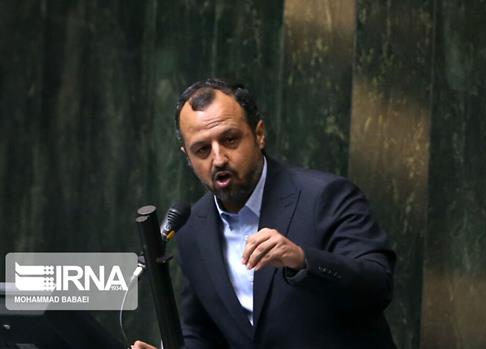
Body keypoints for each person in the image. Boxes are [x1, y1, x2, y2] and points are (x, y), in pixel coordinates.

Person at [133, 78, 396, 349]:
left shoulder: (326, 196)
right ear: (187, 157)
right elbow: (203, 332)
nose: (219, 158)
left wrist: (303, 260)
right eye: (202, 150)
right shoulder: (192, 228)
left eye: (230, 139)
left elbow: (378, 285)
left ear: (259, 135)